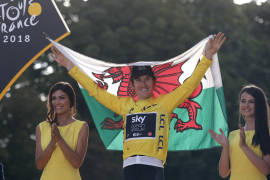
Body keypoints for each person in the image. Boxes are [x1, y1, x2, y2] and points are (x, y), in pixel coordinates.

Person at [51, 32, 226, 180]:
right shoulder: (124, 105)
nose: (143, 84)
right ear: (132, 85)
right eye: (139, 80)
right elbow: (95, 91)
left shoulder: (164, 103)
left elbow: (189, 85)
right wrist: (69, 65)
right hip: (129, 167)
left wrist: (208, 57)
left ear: (154, 82)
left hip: (154, 167)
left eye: (147, 79)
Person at [209, 84, 270, 180]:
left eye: (251, 102)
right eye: (243, 101)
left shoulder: (267, 133)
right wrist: (225, 147)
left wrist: (244, 146)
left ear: (259, 105)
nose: (246, 105)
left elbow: (266, 170)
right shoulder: (233, 135)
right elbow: (223, 173)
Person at [35, 82, 89, 180]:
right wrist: (52, 142)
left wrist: (59, 139)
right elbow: (39, 165)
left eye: (62, 98)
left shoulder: (82, 127)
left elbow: (77, 163)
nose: (57, 102)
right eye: (54, 98)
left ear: (71, 101)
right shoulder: (41, 128)